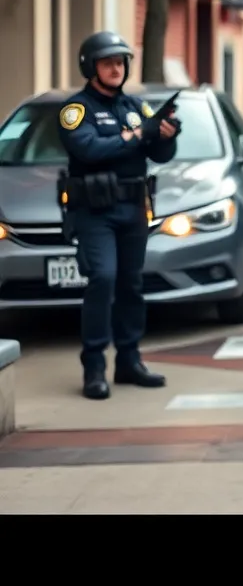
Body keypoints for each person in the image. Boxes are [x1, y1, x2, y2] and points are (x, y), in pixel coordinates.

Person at [57, 31, 181, 400]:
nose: (116, 68)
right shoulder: (76, 109)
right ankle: (94, 366)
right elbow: (89, 149)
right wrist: (136, 136)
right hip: (96, 211)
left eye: (121, 62)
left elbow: (159, 155)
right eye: (108, 62)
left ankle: (129, 361)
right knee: (103, 279)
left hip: (133, 208)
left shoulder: (134, 107)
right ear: (90, 66)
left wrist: (165, 134)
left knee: (131, 284)